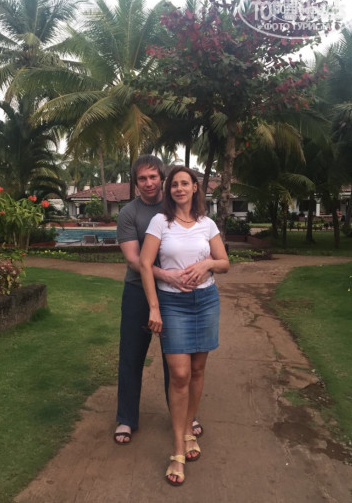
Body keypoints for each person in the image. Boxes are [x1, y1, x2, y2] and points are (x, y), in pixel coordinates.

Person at [140, 166, 230, 486]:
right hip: (172, 304)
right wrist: (154, 307)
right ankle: (178, 448)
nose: (178, 188)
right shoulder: (160, 222)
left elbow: (225, 263)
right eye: (174, 184)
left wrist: (208, 264)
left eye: (184, 183)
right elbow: (144, 264)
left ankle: (189, 429)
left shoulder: (207, 224)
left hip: (206, 302)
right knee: (179, 374)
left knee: (198, 370)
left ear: (195, 188)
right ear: (169, 191)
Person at [114, 156, 206, 444]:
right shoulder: (129, 213)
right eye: (142, 178)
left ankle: (184, 417)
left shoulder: (175, 208)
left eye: (153, 177)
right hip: (138, 293)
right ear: (135, 182)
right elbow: (134, 260)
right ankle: (126, 418)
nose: (149, 183)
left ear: (162, 179)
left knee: (177, 360)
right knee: (131, 356)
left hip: (174, 296)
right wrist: (168, 275)